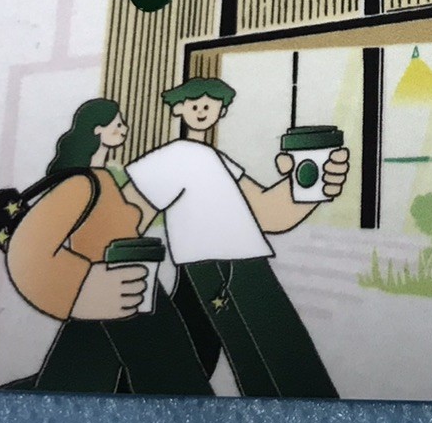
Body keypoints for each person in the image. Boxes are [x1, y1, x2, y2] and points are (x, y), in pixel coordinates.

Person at [122, 77, 350, 399]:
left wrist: (311, 185)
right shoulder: (176, 155)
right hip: (221, 269)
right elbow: (128, 213)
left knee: (199, 357)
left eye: (210, 104)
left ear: (222, 110)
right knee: (280, 363)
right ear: (178, 109)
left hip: (234, 265)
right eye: (193, 103)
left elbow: (268, 213)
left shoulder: (216, 160)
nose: (202, 110)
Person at [3, 98, 213, 394]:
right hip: (119, 286)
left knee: (70, 381)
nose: (124, 129)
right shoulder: (81, 183)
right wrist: (81, 288)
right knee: (176, 377)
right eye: (117, 124)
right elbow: (29, 247)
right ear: (97, 130)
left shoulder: (106, 178)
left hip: (133, 282)